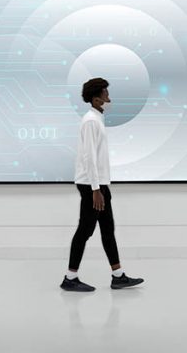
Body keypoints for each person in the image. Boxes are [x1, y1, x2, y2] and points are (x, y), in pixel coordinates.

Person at [60, 77, 144, 292]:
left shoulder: (97, 117)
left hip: (99, 184)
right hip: (91, 185)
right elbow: (88, 158)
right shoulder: (91, 121)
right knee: (85, 231)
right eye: (105, 92)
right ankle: (70, 278)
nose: (108, 95)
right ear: (97, 98)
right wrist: (96, 189)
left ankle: (118, 276)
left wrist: (100, 186)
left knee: (108, 229)